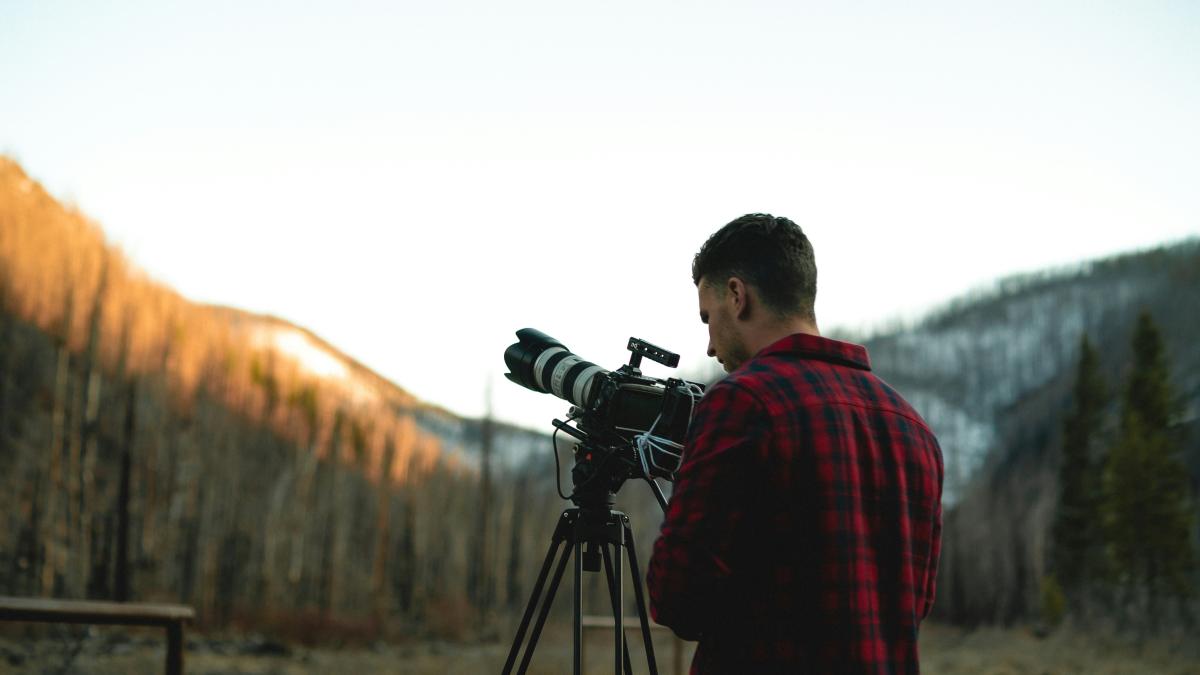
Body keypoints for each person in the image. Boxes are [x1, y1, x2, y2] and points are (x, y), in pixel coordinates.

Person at [646, 213, 943, 674]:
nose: (708, 346)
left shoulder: (743, 403)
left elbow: (679, 597)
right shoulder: (915, 430)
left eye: (709, 318)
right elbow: (913, 604)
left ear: (737, 296)